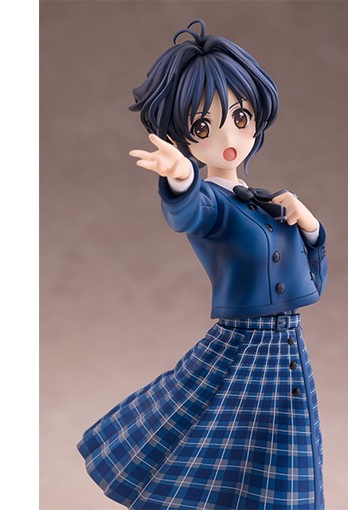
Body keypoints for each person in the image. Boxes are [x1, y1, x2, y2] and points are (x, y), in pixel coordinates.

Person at [77, 19, 328, 510]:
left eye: (240, 116)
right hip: (245, 345)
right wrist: (179, 180)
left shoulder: (263, 201)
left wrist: (311, 228)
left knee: (278, 454)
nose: (228, 136)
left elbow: (310, 283)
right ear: (183, 137)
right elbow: (189, 213)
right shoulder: (212, 201)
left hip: (286, 346)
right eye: (202, 127)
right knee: (218, 451)